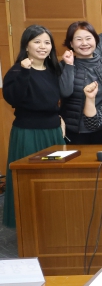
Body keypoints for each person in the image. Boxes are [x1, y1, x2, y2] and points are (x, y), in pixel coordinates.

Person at [2, 25, 64, 228]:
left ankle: (54, 222)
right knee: (28, 180)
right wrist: (24, 72)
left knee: (54, 180)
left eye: (47, 42)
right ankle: (27, 225)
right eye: (37, 42)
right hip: (28, 133)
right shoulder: (17, 71)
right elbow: (13, 98)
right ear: (26, 46)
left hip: (53, 133)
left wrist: (60, 119)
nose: (43, 46)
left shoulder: (54, 70)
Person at [59, 21, 102, 144]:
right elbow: (65, 92)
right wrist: (69, 65)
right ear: (71, 43)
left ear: (95, 40)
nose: (84, 43)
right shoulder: (64, 65)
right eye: (79, 39)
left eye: (88, 38)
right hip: (73, 131)